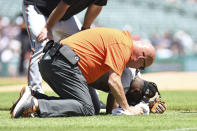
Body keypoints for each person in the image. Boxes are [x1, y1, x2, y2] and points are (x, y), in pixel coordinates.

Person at [11, 27, 156, 118]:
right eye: (142, 66)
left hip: (56, 61)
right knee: (86, 108)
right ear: (141, 58)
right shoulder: (124, 46)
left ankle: (32, 97)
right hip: (62, 63)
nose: (139, 69)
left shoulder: (122, 40)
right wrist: (127, 109)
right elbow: (114, 80)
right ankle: (35, 104)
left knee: (93, 106)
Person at [22, 0, 107, 93]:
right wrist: (48, 27)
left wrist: (85, 29)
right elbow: (63, 4)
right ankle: (34, 93)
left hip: (65, 15)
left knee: (82, 48)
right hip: (38, 9)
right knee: (42, 44)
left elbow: (96, 6)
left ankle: (91, 95)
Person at [89, 68, 166, 114]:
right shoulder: (128, 77)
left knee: (95, 107)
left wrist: (149, 105)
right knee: (90, 109)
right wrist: (134, 110)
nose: (136, 102)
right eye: (138, 100)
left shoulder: (137, 79)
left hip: (88, 80)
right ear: (136, 91)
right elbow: (112, 110)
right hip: (83, 77)